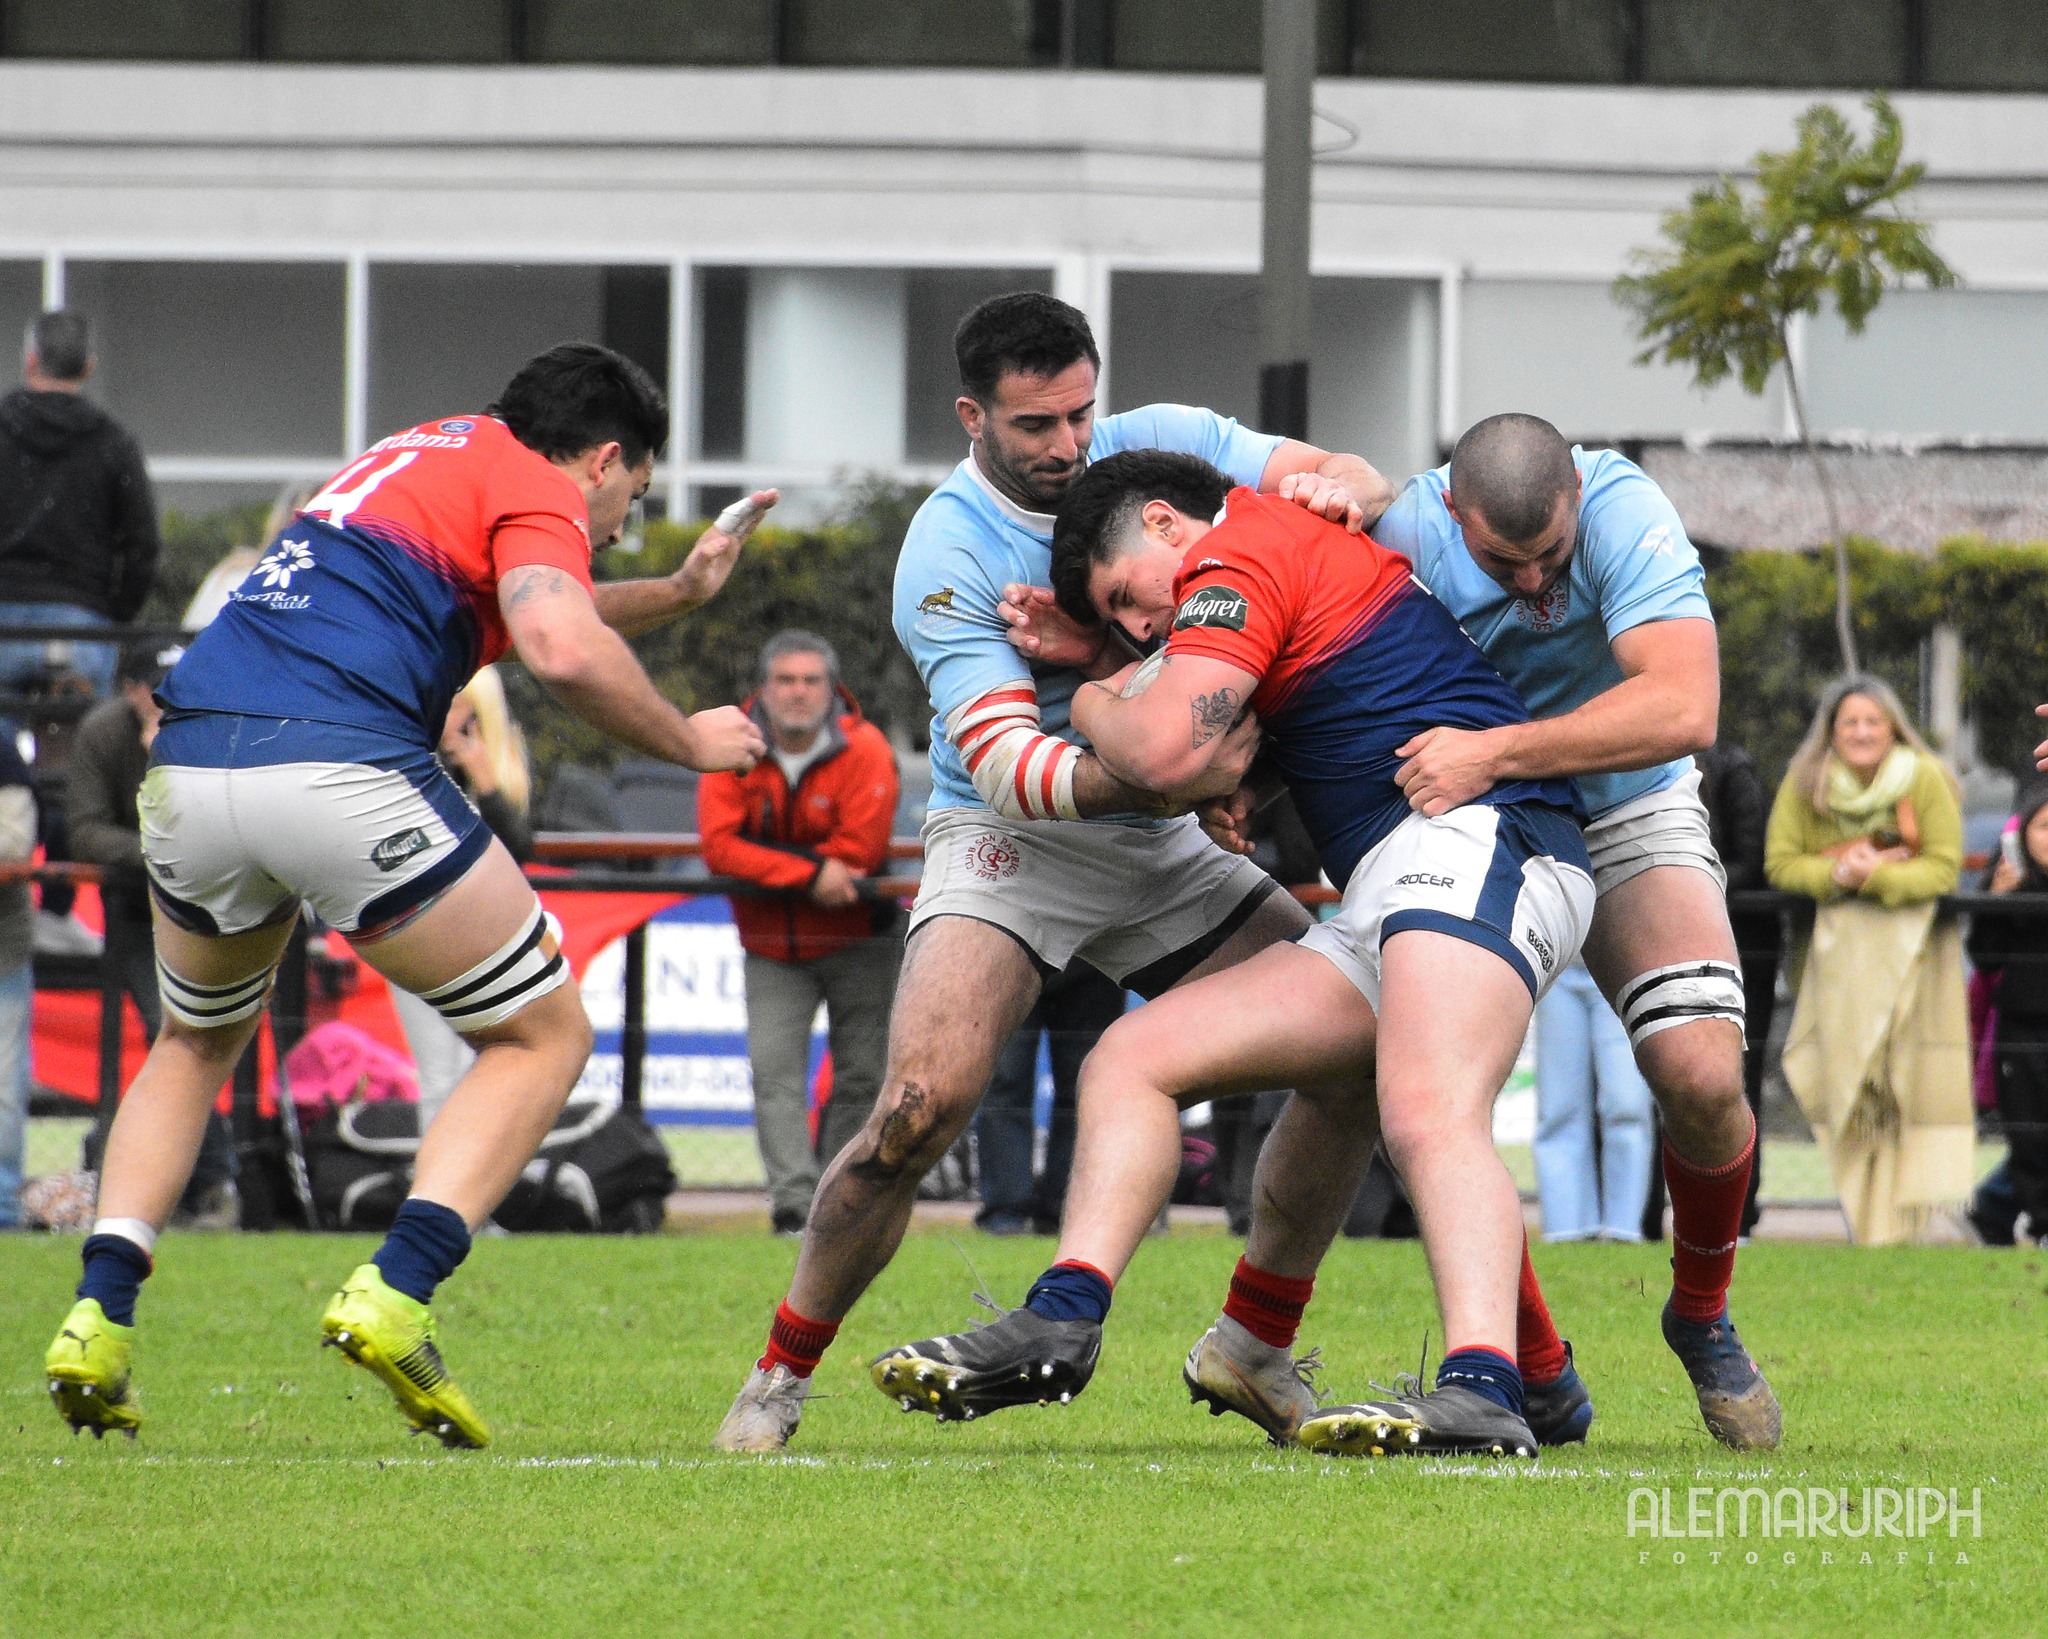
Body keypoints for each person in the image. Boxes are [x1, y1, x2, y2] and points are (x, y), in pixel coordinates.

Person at [38, 341, 770, 1446]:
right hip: (335, 767)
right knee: (543, 1035)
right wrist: (689, 741)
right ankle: (398, 1288)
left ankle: (96, 1316)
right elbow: (559, 644)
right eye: (635, 493)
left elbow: (517, 614)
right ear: (604, 459)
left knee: (191, 1047)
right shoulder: (532, 480)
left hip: (190, 766)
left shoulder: (420, 455)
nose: (623, 522)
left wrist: (677, 593)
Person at [713, 290, 1400, 1452]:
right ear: (971, 416)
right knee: (915, 1110)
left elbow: (1345, 475)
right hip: (1012, 841)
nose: (1069, 445)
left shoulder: (1156, 446)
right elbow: (1003, 762)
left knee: (1362, 1043)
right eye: (1035, 424)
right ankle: (779, 1372)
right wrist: (1168, 775)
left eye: (1080, 414)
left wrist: (1342, 492)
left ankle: (1253, 1342)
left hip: (1158, 838)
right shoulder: (946, 548)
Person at [1056, 414, 1778, 1451]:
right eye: (1501, 563)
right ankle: (1520, 1370)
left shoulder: (1624, 507)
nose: (1532, 582)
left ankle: (1700, 1314)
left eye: (1549, 555)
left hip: (1614, 803)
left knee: (1699, 1076)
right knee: (1427, 1090)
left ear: (1575, 498)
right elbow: (1323, 671)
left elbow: (1683, 707)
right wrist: (1249, 783)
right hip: (1460, 816)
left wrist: (1496, 753)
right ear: (1451, 512)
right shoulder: (1401, 525)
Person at [871, 450, 1593, 1458]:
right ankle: (1065, 1315)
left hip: (1489, 836)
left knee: (1423, 1105)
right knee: (1130, 1060)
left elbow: (1162, 751)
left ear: (1167, 523)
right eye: (1118, 617)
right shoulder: (1254, 571)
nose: (1139, 625)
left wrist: (1093, 689)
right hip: (1397, 880)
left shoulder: (1239, 548)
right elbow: (1248, 743)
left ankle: (1486, 1387)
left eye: (1125, 595)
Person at [698, 630, 903, 1235]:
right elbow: (719, 848)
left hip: (860, 941)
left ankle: (835, 1203)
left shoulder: (866, 748)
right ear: (763, 688)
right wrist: (812, 872)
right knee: (774, 1074)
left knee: (863, 1075)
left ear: (831, 689)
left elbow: (859, 853)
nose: (798, 693)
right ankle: (792, 1205)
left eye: (811, 681)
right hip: (769, 947)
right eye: (785, 680)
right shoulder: (728, 744)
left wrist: (775, 865)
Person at [1767, 675, 1970, 1245]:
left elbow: (1944, 868)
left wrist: (1875, 877)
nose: (1861, 732)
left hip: (1914, 965)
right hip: (1833, 972)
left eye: (1872, 721)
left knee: (1907, 1086)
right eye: (1849, 722)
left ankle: (1908, 1227)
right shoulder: (1805, 781)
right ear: (1831, 732)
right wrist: (1838, 873)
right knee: (1849, 1092)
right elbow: (1781, 864)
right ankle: (1867, 1225)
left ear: (1893, 729)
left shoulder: (1925, 777)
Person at [67, 640, 239, 1225]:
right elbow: (85, 832)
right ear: (133, 692)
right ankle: (210, 1183)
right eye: (161, 688)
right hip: (140, 911)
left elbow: (224, 817)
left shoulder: (213, 724)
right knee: (177, 1032)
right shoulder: (104, 733)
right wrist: (162, 842)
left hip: (214, 900)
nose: (175, 698)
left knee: (211, 1033)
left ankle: (208, 1184)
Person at [387, 663, 536, 1132]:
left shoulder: (496, 767)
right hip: (418, 934)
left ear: (479, 713)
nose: (445, 715)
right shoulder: (409, 757)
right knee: (439, 1075)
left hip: (485, 941)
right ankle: (436, 1176)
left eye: (457, 705)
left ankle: (477, 1173)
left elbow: (518, 850)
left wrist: (485, 781)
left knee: (485, 1070)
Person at [0, 311, 159, 709]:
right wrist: (115, 614)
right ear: (88, 367)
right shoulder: (113, 441)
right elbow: (143, 543)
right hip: (82, 621)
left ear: (30, 360)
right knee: (81, 734)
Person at [973, 958, 1126, 1235]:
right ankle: (1005, 1213)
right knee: (1004, 1084)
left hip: (1098, 957)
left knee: (1087, 1088)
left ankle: (1066, 1209)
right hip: (1013, 951)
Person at [1692, 739, 1775, 1234]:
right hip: (1681, 939)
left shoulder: (1733, 769)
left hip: (1741, 951)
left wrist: (1685, 884)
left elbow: (1754, 859)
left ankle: (1738, 1217)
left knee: (1735, 1080)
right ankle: (1651, 1218)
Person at [1965, 778, 2048, 1245]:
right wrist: (1997, 901)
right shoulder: (2010, 883)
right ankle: (2036, 1226)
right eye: (2044, 827)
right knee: (2029, 1139)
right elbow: (1986, 957)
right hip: (2021, 1031)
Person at [1533, 960, 1654, 1242]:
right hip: (1558, 964)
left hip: (1625, 964)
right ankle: (1564, 1231)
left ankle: (1624, 1230)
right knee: (1559, 1109)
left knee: (1627, 1106)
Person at [0, 737, 33, 1229]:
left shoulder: (2, 750)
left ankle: (2, 1207)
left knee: (2, 1085)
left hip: (2, 948)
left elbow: (12, 844)